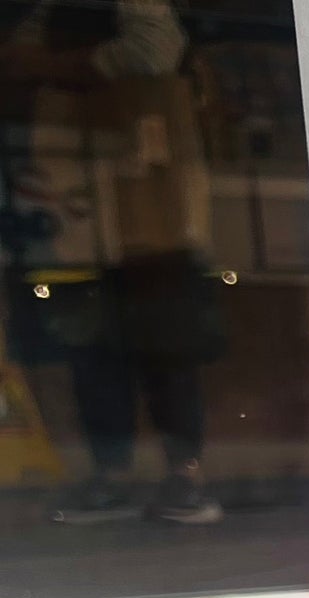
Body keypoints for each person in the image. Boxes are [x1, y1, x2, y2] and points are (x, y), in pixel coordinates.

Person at [7, 0, 225, 524]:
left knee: (165, 342)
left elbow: (152, 52)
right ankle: (113, 475)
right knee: (92, 344)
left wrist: (50, 66)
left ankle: (183, 474)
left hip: (146, 205)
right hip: (77, 206)